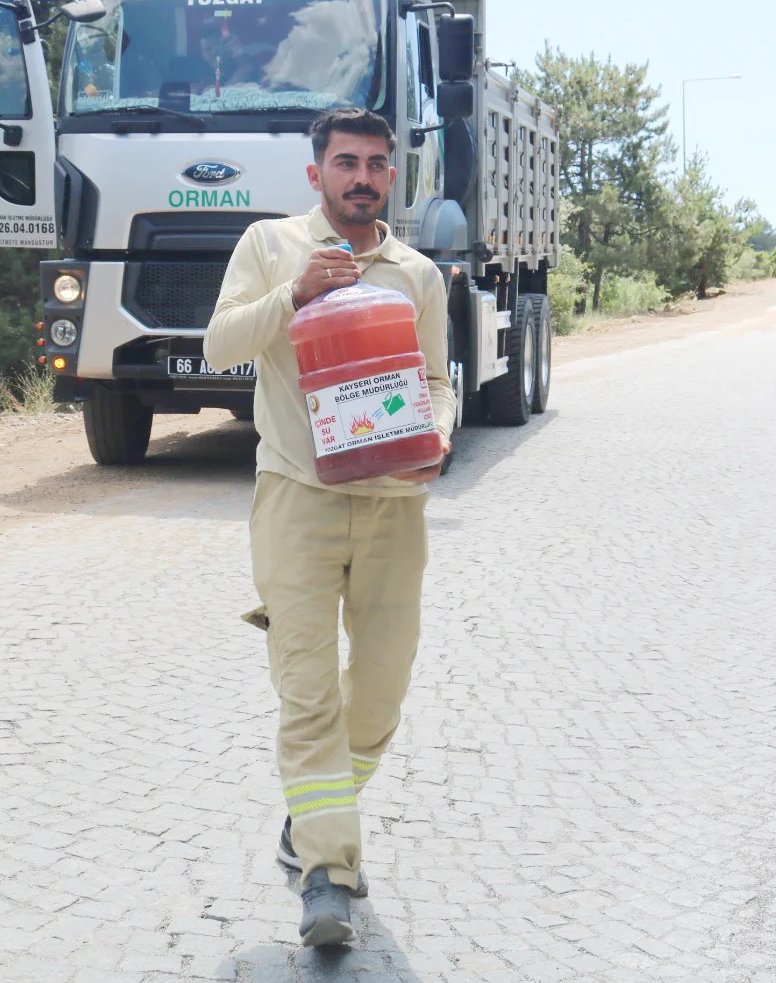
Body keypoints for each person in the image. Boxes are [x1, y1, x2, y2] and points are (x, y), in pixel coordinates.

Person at [203, 107, 456, 947]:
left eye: (377, 164)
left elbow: (433, 380)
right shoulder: (270, 247)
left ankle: (314, 816)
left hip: (394, 508)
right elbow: (218, 346)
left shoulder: (418, 274)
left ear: (392, 177)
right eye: (346, 161)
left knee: (379, 692)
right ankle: (327, 876)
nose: (362, 175)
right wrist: (294, 293)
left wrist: (442, 435)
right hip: (297, 500)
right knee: (307, 692)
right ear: (316, 174)